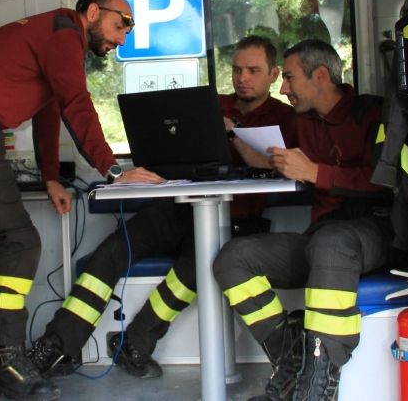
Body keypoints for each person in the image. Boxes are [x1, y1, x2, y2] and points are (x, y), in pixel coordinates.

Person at [27, 36, 295, 380]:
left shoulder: (285, 117)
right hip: (178, 209)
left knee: (192, 270)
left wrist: (232, 132)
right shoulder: (207, 104)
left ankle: (135, 344)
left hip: (237, 219)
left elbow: (271, 165)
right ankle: (57, 346)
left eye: (253, 71)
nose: (242, 77)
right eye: (237, 69)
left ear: (273, 74)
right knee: (111, 251)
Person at [0, 0, 164, 401]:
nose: (122, 39)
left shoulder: (55, 39)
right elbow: (77, 104)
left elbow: (50, 110)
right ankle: (8, 360)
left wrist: (50, 178)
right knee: (21, 241)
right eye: (121, 25)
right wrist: (112, 169)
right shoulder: (63, 33)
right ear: (93, 11)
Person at [212, 39, 390, 401]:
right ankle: (291, 361)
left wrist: (317, 172)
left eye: (290, 78)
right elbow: (268, 159)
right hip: (322, 236)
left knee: (331, 243)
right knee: (232, 257)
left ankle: (317, 389)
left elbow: (387, 183)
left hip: (376, 231)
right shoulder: (300, 121)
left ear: (320, 75)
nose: (283, 88)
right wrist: (232, 133)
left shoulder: (374, 114)